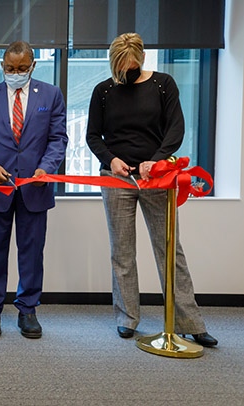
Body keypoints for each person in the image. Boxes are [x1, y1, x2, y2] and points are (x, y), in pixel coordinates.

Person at [86, 32, 217, 347]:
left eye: (130, 67)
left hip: (157, 178)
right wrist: (111, 159)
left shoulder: (163, 85)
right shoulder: (103, 91)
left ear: (141, 59)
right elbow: (93, 136)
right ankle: (127, 319)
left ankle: (190, 322)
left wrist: (156, 162)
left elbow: (176, 129)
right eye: (120, 68)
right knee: (122, 252)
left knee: (170, 249)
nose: (125, 74)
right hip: (117, 178)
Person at [0, 41, 68, 339]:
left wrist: (47, 168)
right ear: (3, 67)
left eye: (21, 68)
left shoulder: (51, 95)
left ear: (32, 66)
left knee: (31, 252)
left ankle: (28, 309)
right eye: (10, 69)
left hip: (35, 188)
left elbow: (58, 139)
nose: (15, 73)